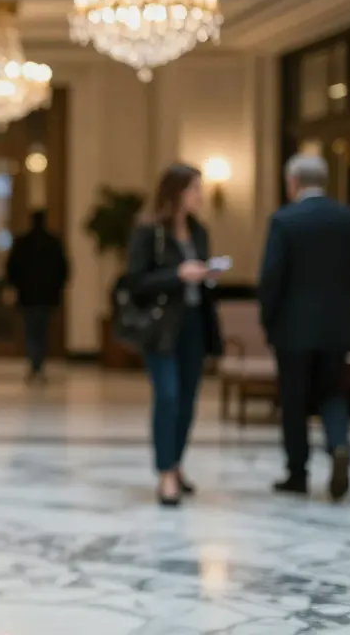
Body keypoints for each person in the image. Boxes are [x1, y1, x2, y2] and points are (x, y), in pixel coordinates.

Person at [259, 154, 350, 501]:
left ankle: (297, 473)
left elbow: (271, 277)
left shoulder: (284, 220)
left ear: (293, 182)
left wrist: (269, 320)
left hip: (293, 330)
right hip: (337, 327)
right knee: (333, 391)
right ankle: (338, 445)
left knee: (294, 401)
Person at [125, 163, 224, 507]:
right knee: (167, 396)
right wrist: (178, 274)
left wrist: (207, 274)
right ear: (177, 192)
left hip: (195, 325)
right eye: (195, 189)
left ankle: (177, 464)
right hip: (162, 327)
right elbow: (135, 282)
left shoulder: (199, 231)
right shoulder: (149, 231)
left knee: (187, 401)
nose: (200, 196)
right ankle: (165, 473)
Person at [5, 210, 69, 381]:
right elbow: (64, 270)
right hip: (47, 296)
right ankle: (38, 363)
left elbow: (12, 268)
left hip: (28, 296)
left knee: (31, 330)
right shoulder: (53, 242)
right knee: (43, 330)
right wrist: (57, 289)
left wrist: (14, 286)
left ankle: (35, 363)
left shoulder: (23, 242)